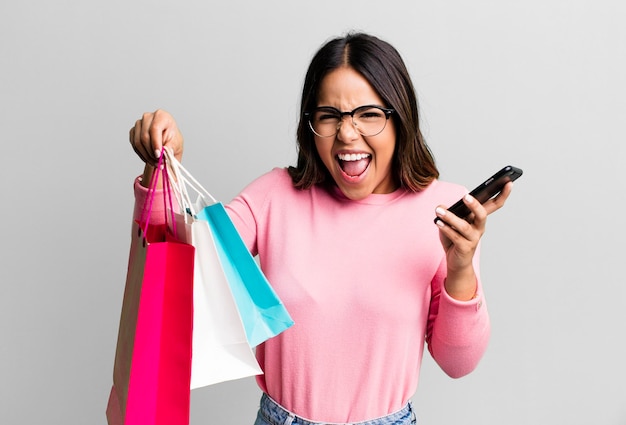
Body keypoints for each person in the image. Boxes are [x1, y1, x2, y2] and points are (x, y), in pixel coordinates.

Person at [129, 32, 513, 425]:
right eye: (329, 115)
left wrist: (461, 266)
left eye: (368, 113)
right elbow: (178, 262)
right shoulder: (275, 195)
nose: (347, 134)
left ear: (400, 118)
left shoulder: (443, 210)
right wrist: (161, 165)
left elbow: (457, 362)